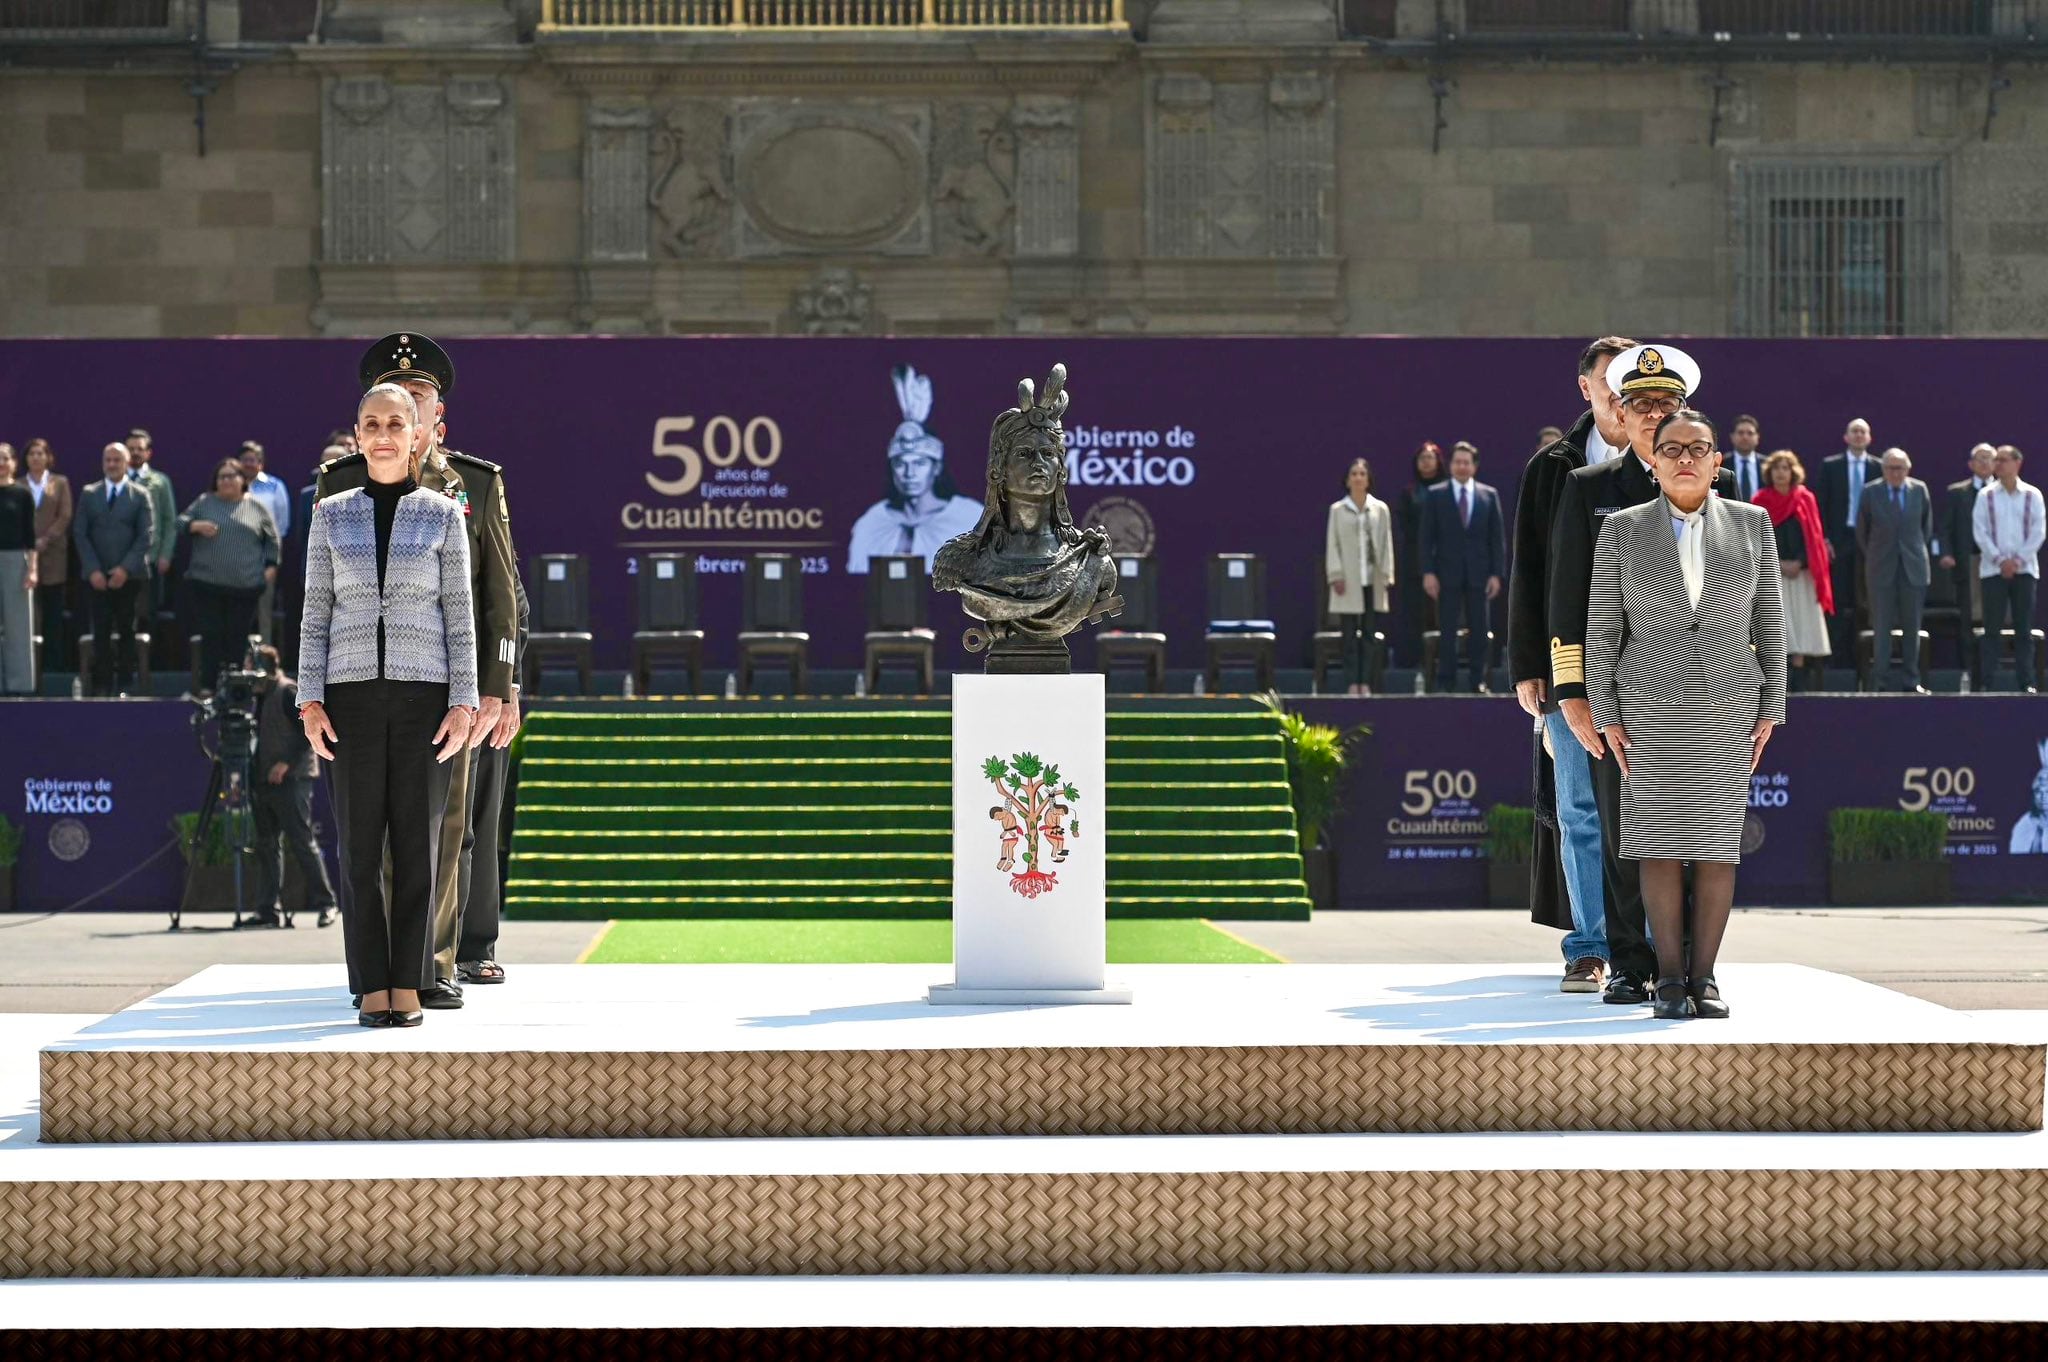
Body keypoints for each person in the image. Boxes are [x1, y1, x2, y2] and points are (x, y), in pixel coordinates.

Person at [319, 332, 524, 1004]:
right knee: (368, 834)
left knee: (444, 824)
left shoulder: (476, 483)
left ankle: (431, 964)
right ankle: (380, 970)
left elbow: (499, 597)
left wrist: (500, 686)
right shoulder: (341, 484)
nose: (402, 409)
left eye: (416, 398)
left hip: (447, 683)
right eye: (390, 398)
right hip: (364, 685)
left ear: (435, 415)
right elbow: (317, 601)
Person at [1549, 343, 1738, 1006]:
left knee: (1698, 833)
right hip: (1618, 694)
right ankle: (1630, 962)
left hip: (1703, 694)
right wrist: (1573, 694)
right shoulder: (1589, 490)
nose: (1655, 415)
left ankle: (1687, 966)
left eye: (1667, 404)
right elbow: (1565, 600)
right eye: (1642, 404)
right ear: (1621, 414)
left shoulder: (1721, 488)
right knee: (1625, 834)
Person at [1583, 409, 1786, 1020]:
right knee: (1660, 848)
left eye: (1698, 447)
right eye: (1671, 449)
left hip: (1729, 712)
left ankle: (1706, 979)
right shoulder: (1621, 529)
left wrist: (1771, 709)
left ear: (1718, 461)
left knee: (1718, 849)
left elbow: (1770, 625)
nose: (1685, 459)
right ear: (1654, 461)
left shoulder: (1754, 525)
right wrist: (1606, 714)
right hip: (1646, 712)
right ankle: (1668, 979)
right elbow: (1601, 633)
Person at [299, 383, 478, 1029]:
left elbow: (461, 618)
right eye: (372, 423)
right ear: (357, 433)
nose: (383, 434)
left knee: (418, 845)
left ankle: (411, 981)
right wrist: (309, 699)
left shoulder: (441, 514)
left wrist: (463, 701)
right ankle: (372, 984)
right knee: (358, 849)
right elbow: (315, 611)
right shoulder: (331, 513)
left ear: (416, 434)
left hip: (423, 697)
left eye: (396, 423)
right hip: (348, 698)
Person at [1509, 335, 1635, 993]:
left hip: (1652, 668)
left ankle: (1649, 947)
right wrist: (1529, 664)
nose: (1619, 392)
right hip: (1570, 669)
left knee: (1650, 811)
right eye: (1606, 380)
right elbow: (1530, 571)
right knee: (1581, 808)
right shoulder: (1551, 468)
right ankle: (1588, 946)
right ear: (1584, 388)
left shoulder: (1667, 456)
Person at [846, 364, 981, 574]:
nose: (909, 474)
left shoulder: (969, 518)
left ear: (935, 468)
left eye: (919, 464)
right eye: (901, 464)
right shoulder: (872, 522)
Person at [246, 646, 338, 930]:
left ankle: (326, 903)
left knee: (301, 841)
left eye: (250, 667)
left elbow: (306, 734)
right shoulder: (256, 697)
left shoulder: (287, 692)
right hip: (263, 779)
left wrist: (285, 763)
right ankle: (267, 909)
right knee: (267, 845)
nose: (246, 674)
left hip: (293, 780)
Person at [179, 458, 281, 691]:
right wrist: (194, 526)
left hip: (244, 588)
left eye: (231, 476)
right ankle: (209, 687)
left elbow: (272, 540)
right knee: (211, 635)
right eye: (221, 476)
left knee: (237, 638)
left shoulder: (256, 506)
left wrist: (271, 567)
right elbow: (180, 522)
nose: (226, 481)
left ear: (242, 480)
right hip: (207, 585)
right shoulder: (205, 503)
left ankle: (235, 688)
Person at [1418, 441, 1504, 693]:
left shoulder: (1488, 495)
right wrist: (1428, 572)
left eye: (1467, 462)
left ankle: (1478, 679)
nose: (1462, 466)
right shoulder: (1436, 494)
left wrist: (1496, 574)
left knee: (1479, 629)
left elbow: (1496, 539)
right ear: (1451, 464)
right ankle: (1446, 680)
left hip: (1479, 574)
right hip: (1446, 574)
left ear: (1474, 466)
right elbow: (1426, 538)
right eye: (1458, 462)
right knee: (1447, 630)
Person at [73, 441, 154, 696]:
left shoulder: (140, 495)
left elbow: (146, 535)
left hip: (129, 578)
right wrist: (93, 569)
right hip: (96, 577)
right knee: (101, 628)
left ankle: (126, 684)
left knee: (127, 629)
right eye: (107, 460)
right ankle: (102, 683)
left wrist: (124, 569)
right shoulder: (89, 493)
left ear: (127, 462)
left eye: (117, 460)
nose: (112, 465)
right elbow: (80, 533)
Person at [1857, 448, 1933, 694]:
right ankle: (1880, 681)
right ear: (1883, 469)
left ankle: (1912, 680)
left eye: (1900, 468)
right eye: (1890, 467)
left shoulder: (1919, 490)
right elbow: (1862, 530)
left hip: (1913, 568)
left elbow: (1926, 527)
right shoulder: (1871, 491)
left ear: (1908, 469)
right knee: (1882, 627)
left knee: (1912, 626)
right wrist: (1875, 556)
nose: (1895, 472)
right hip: (1881, 568)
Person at [1756, 450, 1833, 691]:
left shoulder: (1805, 498)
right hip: (1773, 574)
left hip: (1802, 573)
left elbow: (1814, 537)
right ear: (1770, 472)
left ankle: (1799, 681)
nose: (1781, 472)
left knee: (1800, 626)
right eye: (1776, 468)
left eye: (1785, 468)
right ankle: (1778, 684)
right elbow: (1755, 540)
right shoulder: (1759, 501)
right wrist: (1778, 564)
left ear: (1793, 472)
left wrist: (1799, 563)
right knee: (1779, 627)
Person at [1974, 444, 2044, 693]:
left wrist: (2017, 561)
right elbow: (1980, 532)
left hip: (2024, 572)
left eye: (2003, 460)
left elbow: (2038, 531)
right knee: (1992, 628)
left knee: (2023, 630)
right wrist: (2000, 560)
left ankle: (2026, 682)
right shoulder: (1985, 495)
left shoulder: (2032, 495)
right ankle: (1987, 682)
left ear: (2017, 463)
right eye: (1997, 460)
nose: (1998, 464)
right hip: (1993, 572)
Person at [1324, 457, 1393, 697]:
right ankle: (1352, 682)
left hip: (1372, 581)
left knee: (1369, 635)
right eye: (1353, 474)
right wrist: (1336, 575)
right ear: (1347, 480)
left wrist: (1386, 576)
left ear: (1368, 479)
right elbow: (1332, 544)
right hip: (1348, 582)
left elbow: (1386, 544)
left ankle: (1366, 682)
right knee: (1349, 636)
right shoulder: (1338, 510)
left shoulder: (1380, 509)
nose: (1358, 478)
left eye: (1362, 474)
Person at [1818, 418, 1882, 666]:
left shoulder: (1879, 467)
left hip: (1870, 541)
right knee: (1839, 600)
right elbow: (1822, 505)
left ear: (1869, 438)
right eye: (1854, 431)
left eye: (1862, 432)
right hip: (1839, 540)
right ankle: (1837, 659)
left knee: (1865, 601)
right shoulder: (1831, 466)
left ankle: (1864, 660)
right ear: (1846, 437)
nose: (1858, 436)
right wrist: (1824, 539)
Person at [1941, 443, 1998, 686]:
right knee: (1967, 621)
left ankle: (1992, 673)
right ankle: (1968, 670)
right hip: (1968, 564)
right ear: (1971, 464)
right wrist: (1946, 553)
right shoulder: (1957, 492)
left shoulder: (2003, 492)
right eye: (1980, 459)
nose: (1984, 463)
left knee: (1993, 620)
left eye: (1989, 459)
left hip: (1996, 565)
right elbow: (1946, 528)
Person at [23, 439, 74, 675]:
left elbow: (65, 515)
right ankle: (30, 666)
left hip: (53, 556)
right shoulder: (17, 484)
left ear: (48, 457)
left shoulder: (59, 483)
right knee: (29, 614)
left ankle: (54, 666)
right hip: (24, 556)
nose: (36, 458)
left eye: (40, 453)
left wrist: (46, 539)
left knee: (53, 613)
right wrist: (28, 542)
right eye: (32, 454)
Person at [1394, 441, 1447, 668]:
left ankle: (1440, 662)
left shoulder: (1447, 490)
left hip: (1443, 561)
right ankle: (1414, 663)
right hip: (1413, 563)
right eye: (1421, 458)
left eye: (1430, 457)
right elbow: (1405, 526)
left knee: (1442, 615)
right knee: (1413, 614)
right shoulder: (1409, 493)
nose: (1426, 462)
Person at [238, 441, 290, 644]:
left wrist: (273, 561)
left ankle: (266, 665)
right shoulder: (231, 485)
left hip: (264, 561)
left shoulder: (275, 486)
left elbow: (282, 526)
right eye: (245, 460)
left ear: (261, 463)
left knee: (264, 612)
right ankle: (239, 663)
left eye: (253, 460)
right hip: (236, 561)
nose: (248, 464)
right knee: (239, 613)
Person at [125, 427, 178, 627]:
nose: (135, 453)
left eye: (140, 449)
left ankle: (147, 657)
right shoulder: (117, 479)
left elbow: (169, 520)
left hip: (151, 558)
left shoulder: (160, 481)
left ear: (149, 453)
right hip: (121, 557)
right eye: (131, 449)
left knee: (148, 613)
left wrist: (165, 554)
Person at [0, 444, 36, 696]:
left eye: (5, 459)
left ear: (13, 463)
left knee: (18, 627)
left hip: (15, 561)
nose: (1, 463)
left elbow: (30, 536)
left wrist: (32, 569)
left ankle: (20, 686)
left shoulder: (22, 494)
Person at [1726, 414, 1766, 502]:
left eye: (1750, 433)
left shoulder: (1768, 465)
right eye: (1740, 433)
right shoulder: (1721, 464)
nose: (1745, 437)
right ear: (1732, 437)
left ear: (1757, 437)